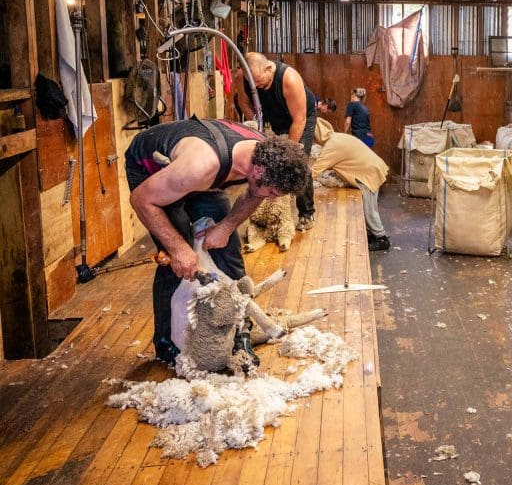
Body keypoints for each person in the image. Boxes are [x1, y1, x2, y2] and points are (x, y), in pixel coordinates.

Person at [125, 118, 309, 364]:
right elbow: (141, 200)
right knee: (179, 260)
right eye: (273, 193)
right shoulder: (201, 167)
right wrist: (178, 249)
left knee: (228, 251)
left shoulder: (266, 155)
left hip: (203, 174)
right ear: (258, 172)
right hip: (153, 170)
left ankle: (240, 331)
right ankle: (167, 344)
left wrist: (226, 226)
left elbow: (255, 193)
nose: (273, 199)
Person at [238, 52, 318, 231]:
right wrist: (258, 127)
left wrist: (286, 154)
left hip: (300, 118)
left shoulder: (289, 79)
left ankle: (306, 213)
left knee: (297, 163)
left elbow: (300, 119)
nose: (256, 86)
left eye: (260, 82)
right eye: (253, 84)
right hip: (273, 117)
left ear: (268, 68)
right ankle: (266, 213)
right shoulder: (242, 76)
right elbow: (243, 102)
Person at [312, 130, 391, 251]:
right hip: (370, 167)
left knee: (369, 208)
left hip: (367, 172)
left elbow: (314, 171)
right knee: (369, 207)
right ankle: (372, 233)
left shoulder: (331, 146)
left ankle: (381, 238)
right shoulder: (336, 137)